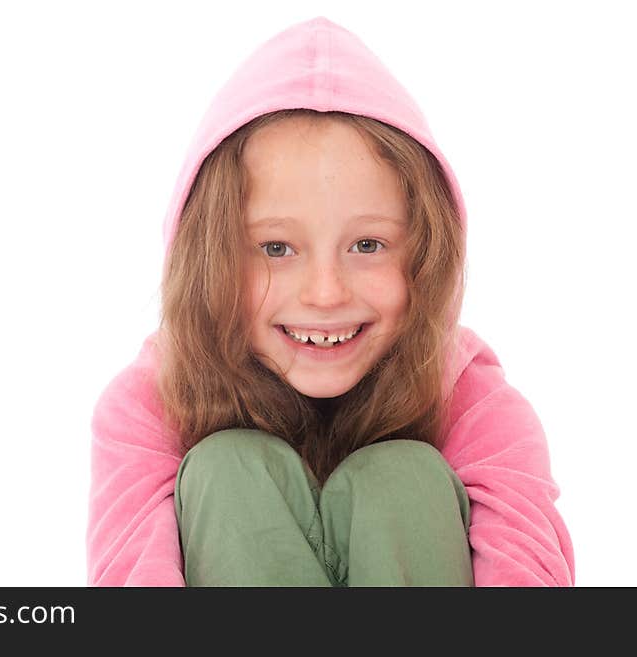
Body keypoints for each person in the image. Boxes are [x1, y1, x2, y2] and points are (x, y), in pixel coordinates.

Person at [86, 16, 575, 586]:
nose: (325, 293)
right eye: (276, 247)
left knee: (403, 476)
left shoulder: (472, 398)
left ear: (424, 254)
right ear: (212, 255)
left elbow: (527, 571)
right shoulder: (149, 402)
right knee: (228, 467)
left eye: (367, 245)